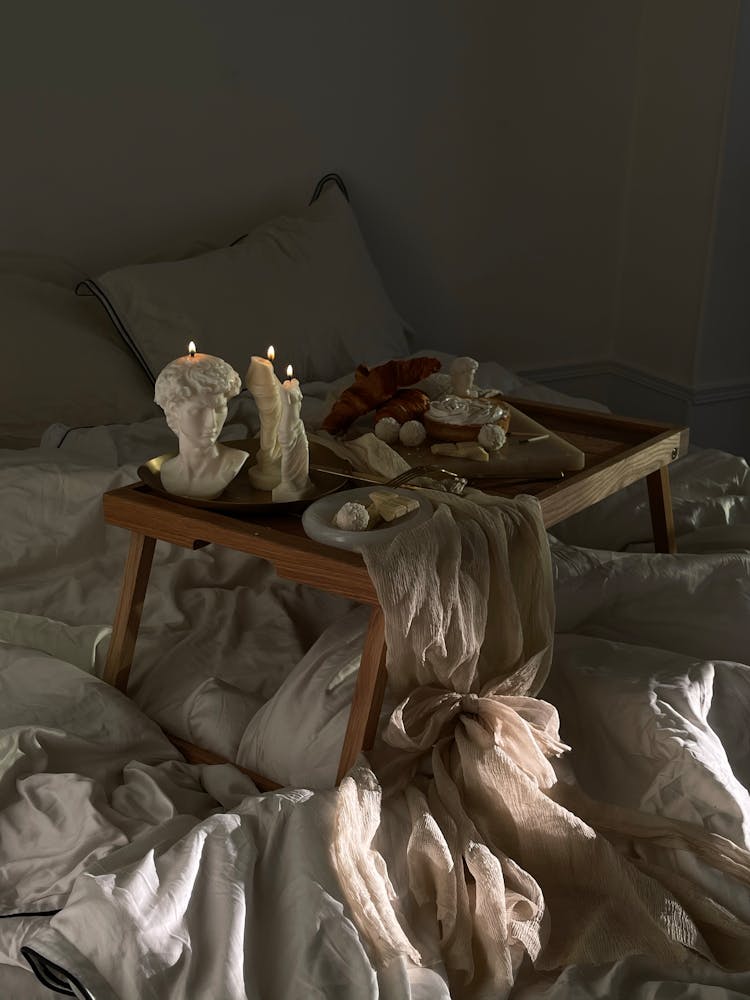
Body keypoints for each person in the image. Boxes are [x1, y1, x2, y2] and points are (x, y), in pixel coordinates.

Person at [154, 354, 248, 499]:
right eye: (197, 411)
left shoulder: (234, 462)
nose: (212, 423)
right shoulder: (164, 471)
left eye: (219, 409)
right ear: (173, 410)